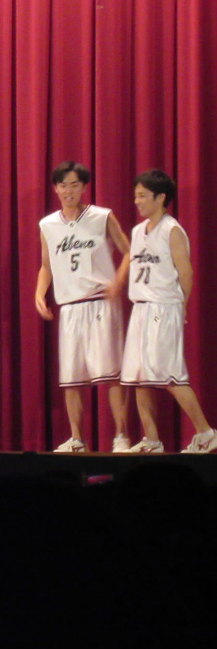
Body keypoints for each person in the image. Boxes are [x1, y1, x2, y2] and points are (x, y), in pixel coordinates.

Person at [35, 162, 132, 453]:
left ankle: (121, 435)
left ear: (84, 187)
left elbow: (129, 251)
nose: (68, 191)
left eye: (74, 185)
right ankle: (77, 438)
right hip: (69, 306)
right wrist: (39, 293)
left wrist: (118, 281)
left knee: (111, 374)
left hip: (100, 301)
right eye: (63, 185)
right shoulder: (47, 225)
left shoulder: (102, 216)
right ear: (55, 188)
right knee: (71, 378)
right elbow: (46, 265)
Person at [120, 170, 216, 453]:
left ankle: (206, 433)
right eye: (136, 196)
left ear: (161, 197)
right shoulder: (138, 231)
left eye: (142, 196)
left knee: (170, 374)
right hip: (140, 308)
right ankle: (152, 440)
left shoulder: (171, 230)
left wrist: (181, 305)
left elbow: (186, 273)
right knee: (138, 377)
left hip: (163, 307)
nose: (137, 201)